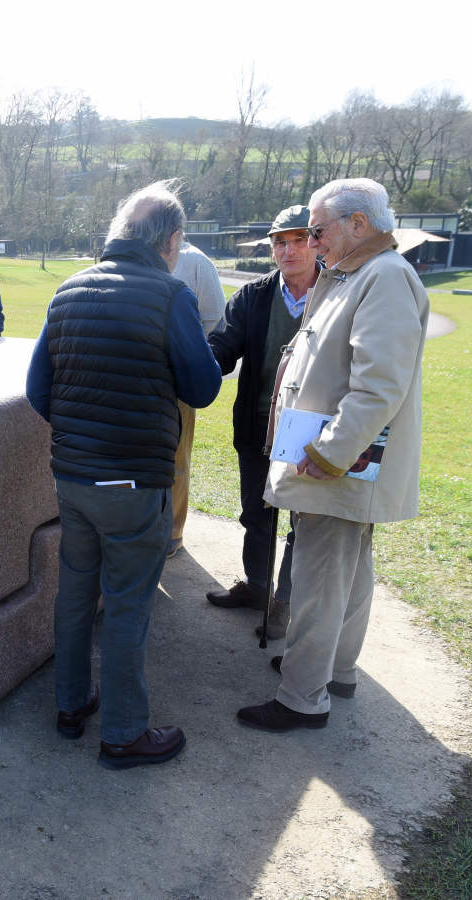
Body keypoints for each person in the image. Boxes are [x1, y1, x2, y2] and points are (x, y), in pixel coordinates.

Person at [26, 180, 221, 769]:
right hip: (135, 483)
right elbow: (203, 387)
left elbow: (39, 389)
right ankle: (123, 733)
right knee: (130, 604)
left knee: (76, 592)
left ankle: (70, 704)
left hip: (74, 478)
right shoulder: (169, 294)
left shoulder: (67, 290)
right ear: (171, 241)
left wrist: (83, 435)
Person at [237, 179, 428, 732]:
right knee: (348, 567)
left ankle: (302, 697)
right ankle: (334, 670)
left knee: (322, 576)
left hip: (336, 464)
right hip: (335, 461)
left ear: (358, 225)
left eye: (318, 230)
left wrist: (330, 453)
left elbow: (378, 387)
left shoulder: (384, 277)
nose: (313, 241)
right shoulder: (359, 274)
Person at [204, 206, 319, 639]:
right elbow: (220, 348)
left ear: (316, 241)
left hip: (311, 430)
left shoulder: (338, 291)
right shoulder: (254, 296)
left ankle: (285, 603)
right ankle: (256, 587)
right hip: (257, 426)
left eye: (298, 239)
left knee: (302, 521)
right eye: (279, 242)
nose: (287, 250)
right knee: (256, 512)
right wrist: (185, 369)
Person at [166, 240, 226, 557]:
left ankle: (173, 531)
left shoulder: (196, 262)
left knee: (176, 459)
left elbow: (215, 315)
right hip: (143, 379)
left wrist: (188, 349)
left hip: (179, 380)